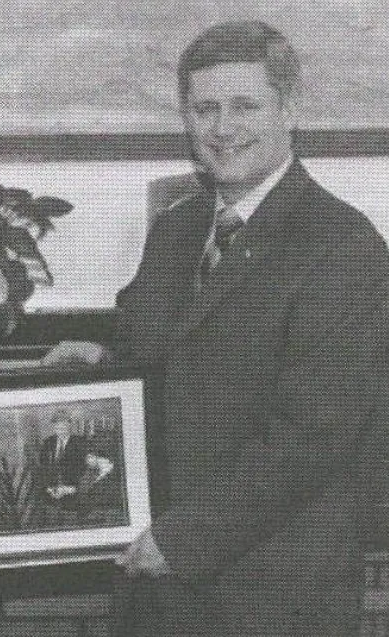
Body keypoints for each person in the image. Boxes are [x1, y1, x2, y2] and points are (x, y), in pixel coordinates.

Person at [45, 21, 389, 636]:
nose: (223, 128)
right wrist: (102, 363)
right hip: (163, 586)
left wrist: (183, 539)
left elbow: (311, 439)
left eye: (244, 105)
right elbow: (171, 365)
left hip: (276, 596)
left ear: (290, 109)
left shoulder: (344, 246)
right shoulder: (175, 231)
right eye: (205, 109)